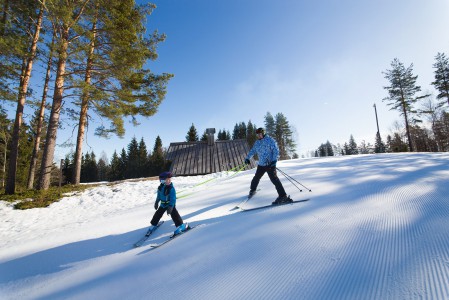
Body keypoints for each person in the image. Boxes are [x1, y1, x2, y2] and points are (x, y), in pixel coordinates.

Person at [244, 127, 291, 204]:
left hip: (270, 164)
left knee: (274, 180)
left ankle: (283, 196)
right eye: (257, 134)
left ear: (263, 133)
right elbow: (252, 151)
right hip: (261, 165)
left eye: (260, 134)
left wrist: (274, 161)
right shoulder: (257, 143)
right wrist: (247, 158)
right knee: (256, 178)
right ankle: (252, 190)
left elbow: (276, 151)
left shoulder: (270, 140)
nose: (258, 136)